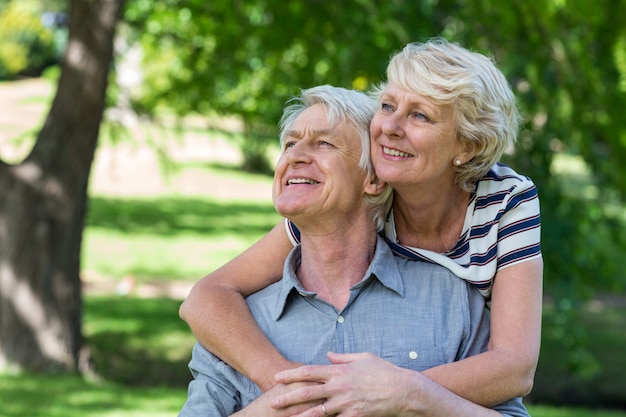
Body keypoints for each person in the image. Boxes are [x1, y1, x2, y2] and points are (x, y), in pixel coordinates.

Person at [179, 37, 543, 414]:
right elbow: (207, 295)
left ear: (466, 145)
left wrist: (399, 394)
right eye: (387, 106)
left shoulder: (502, 205)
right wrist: (286, 386)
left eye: (420, 115)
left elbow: (515, 366)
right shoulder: (357, 203)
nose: (390, 127)